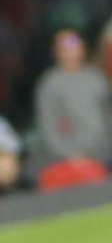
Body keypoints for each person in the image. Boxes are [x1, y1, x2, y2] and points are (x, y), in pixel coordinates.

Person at [35, 29, 112, 165]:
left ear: (83, 47)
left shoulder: (97, 78)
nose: (70, 51)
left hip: (106, 153)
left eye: (74, 44)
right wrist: (68, 154)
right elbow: (48, 124)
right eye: (64, 47)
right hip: (74, 159)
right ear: (55, 51)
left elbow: (108, 113)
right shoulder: (50, 84)